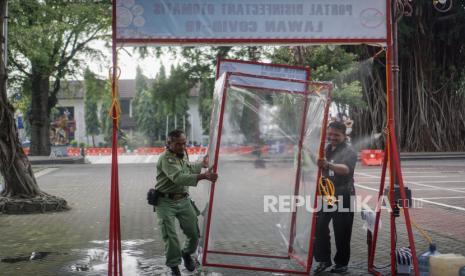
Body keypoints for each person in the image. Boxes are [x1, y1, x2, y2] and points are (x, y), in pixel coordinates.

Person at [155, 129, 218, 276]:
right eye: (178, 144)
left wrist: (202, 164)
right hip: (165, 202)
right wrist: (204, 176)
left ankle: (186, 253)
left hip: (183, 200)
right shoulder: (166, 158)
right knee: (171, 237)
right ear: (169, 143)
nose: (182, 147)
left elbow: (188, 168)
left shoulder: (181, 154)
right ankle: (174, 267)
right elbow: (179, 177)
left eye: (184, 143)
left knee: (194, 233)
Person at [313, 121, 357, 274]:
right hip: (327, 194)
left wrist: (327, 165)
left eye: (336, 135)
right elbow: (322, 165)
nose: (332, 137)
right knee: (319, 227)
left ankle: (341, 264)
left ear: (345, 135)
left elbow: (345, 170)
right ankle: (323, 260)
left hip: (344, 194)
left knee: (342, 230)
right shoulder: (326, 148)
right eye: (330, 134)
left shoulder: (349, 151)